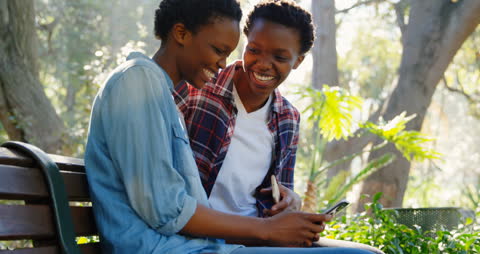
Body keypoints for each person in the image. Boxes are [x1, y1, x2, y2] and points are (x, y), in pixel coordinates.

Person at [85, 0, 374, 253]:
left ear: (298, 61)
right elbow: (165, 209)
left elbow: (166, 200)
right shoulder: (144, 83)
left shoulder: (159, 90)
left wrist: (287, 209)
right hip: (170, 247)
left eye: (280, 56)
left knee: (363, 252)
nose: (223, 64)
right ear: (181, 33)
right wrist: (268, 230)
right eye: (219, 49)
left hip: (205, 244)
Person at [174, 0, 311, 219]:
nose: (264, 64)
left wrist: (291, 200)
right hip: (201, 232)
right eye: (254, 50)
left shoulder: (288, 118)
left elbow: (280, 193)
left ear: (298, 61)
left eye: (280, 57)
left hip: (257, 236)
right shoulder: (197, 88)